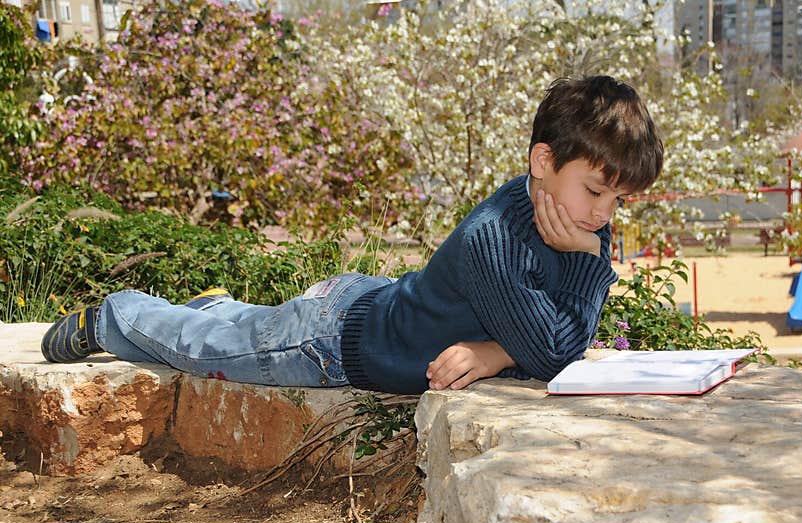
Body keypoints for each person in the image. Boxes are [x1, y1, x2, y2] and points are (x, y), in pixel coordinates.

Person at [41, 75, 664, 395]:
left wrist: (499, 351)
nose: (603, 215)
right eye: (596, 191)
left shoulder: (573, 217)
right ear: (542, 163)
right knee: (207, 349)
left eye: (617, 199)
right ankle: (114, 317)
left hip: (380, 298)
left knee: (230, 326)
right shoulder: (494, 236)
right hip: (332, 342)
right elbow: (557, 353)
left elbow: (558, 341)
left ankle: (222, 307)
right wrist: (521, 337)